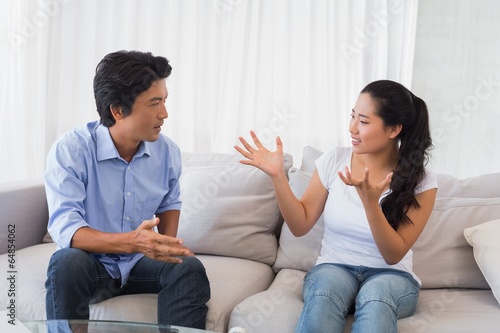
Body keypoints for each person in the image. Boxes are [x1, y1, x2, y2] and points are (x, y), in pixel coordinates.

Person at [235, 79, 437, 333]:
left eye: (363, 121)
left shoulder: (422, 180)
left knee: (376, 297)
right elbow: (300, 225)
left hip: (392, 276)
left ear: (393, 129)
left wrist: (370, 204)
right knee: (326, 291)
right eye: (352, 116)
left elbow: (393, 254)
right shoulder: (334, 160)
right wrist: (278, 177)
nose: (352, 128)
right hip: (334, 267)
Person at [44, 50, 210, 329]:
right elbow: (67, 229)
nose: (164, 113)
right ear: (118, 110)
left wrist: (166, 247)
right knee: (65, 262)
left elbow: (170, 201)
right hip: (91, 264)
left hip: (139, 264)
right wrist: (135, 241)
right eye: (154, 103)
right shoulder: (71, 150)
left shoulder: (167, 151)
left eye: (164, 101)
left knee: (188, 268)